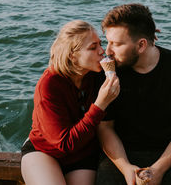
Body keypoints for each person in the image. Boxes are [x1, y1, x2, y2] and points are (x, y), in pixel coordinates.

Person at [96, 4, 171, 185]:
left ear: (141, 45)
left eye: (116, 44)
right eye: (107, 42)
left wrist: (158, 169)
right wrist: (125, 168)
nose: (108, 51)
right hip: (121, 151)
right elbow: (105, 128)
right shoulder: (110, 73)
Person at [21, 20, 120, 185]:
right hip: (45, 151)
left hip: (83, 153)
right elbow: (64, 143)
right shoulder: (50, 84)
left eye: (100, 44)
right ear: (72, 55)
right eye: (93, 47)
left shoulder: (97, 75)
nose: (102, 51)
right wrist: (100, 105)